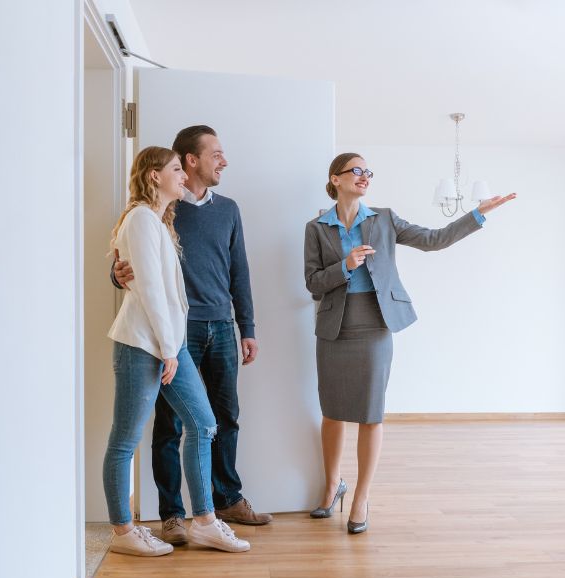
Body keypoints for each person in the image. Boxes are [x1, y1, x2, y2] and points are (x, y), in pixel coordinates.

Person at [303, 152, 516, 534]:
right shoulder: (317, 227)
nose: (365, 176)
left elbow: (434, 240)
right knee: (332, 411)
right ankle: (332, 485)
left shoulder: (383, 218)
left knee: (370, 412)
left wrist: (478, 214)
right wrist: (345, 266)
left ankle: (361, 498)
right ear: (335, 179)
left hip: (375, 323)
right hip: (334, 326)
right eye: (357, 171)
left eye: (368, 171)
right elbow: (313, 283)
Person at [113, 126, 271, 547]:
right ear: (189, 161)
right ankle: (172, 516)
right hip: (174, 331)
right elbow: (129, 266)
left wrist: (247, 327)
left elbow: (241, 271)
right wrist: (115, 274)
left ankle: (225, 500)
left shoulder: (227, 209)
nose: (224, 161)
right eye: (216, 154)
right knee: (169, 425)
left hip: (219, 325)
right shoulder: (160, 209)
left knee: (221, 418)